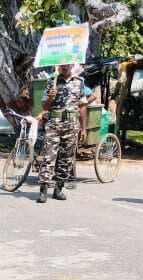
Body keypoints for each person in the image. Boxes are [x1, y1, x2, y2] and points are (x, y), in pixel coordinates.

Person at [36, 63, 97, 203]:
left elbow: (81, 106)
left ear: (71, 66)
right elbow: (45, 106)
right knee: (48, 156)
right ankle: (43, 190)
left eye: (67, 65)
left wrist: (83, 128)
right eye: (61, 65)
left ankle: (58, 189)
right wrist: (51, 97)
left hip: (71, 125)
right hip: (54, 124)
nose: (64, 67)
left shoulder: (79, 82)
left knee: (66, 157)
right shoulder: (52, 81)